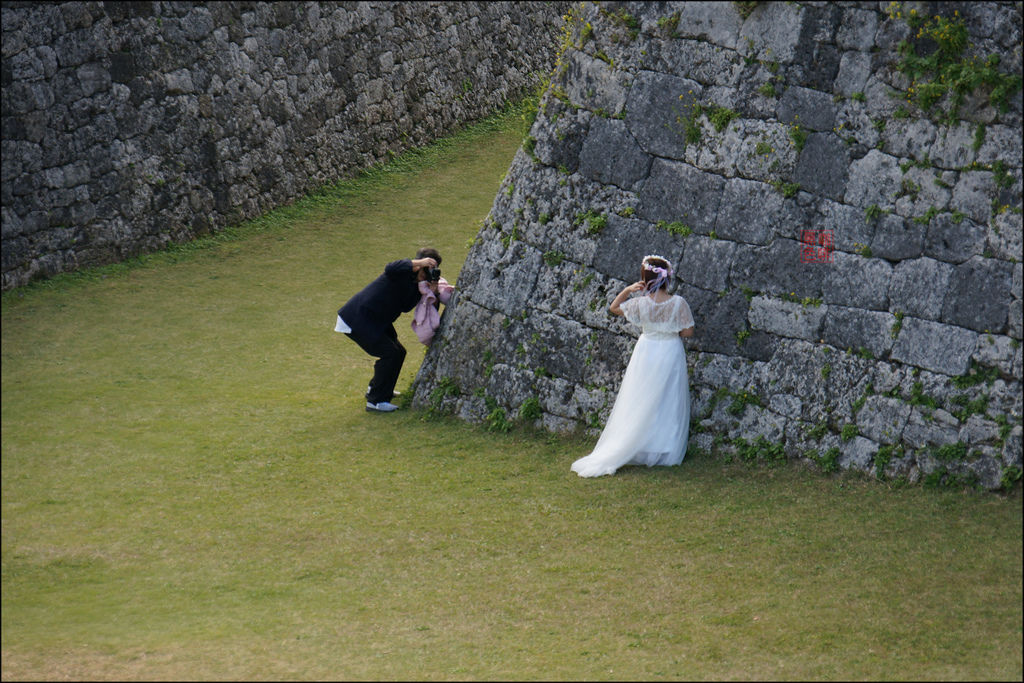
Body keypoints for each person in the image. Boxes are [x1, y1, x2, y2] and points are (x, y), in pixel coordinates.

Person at [571, 255, 695, 477]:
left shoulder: (640, 304)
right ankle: (665, 447)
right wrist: (669, 328)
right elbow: (688, 332)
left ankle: (638, 442)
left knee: (640, 398)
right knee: (668, 399)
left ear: (644, 279)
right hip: (670, 351)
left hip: (646, 351)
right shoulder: (679, 303)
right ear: (668, 278)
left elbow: (614, 308)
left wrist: (628, 290)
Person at [335, 247, 443, 412]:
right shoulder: (400, 272)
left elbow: (407, 307)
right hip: (358, 318)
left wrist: (430, 291)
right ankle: (375, 402)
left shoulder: (417, 285)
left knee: (399, 352)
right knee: (390, 354)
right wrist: (419, 262)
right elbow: (391, 267)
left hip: (376, 321)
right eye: (426, 268)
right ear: (420, 264)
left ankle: (378, 389)